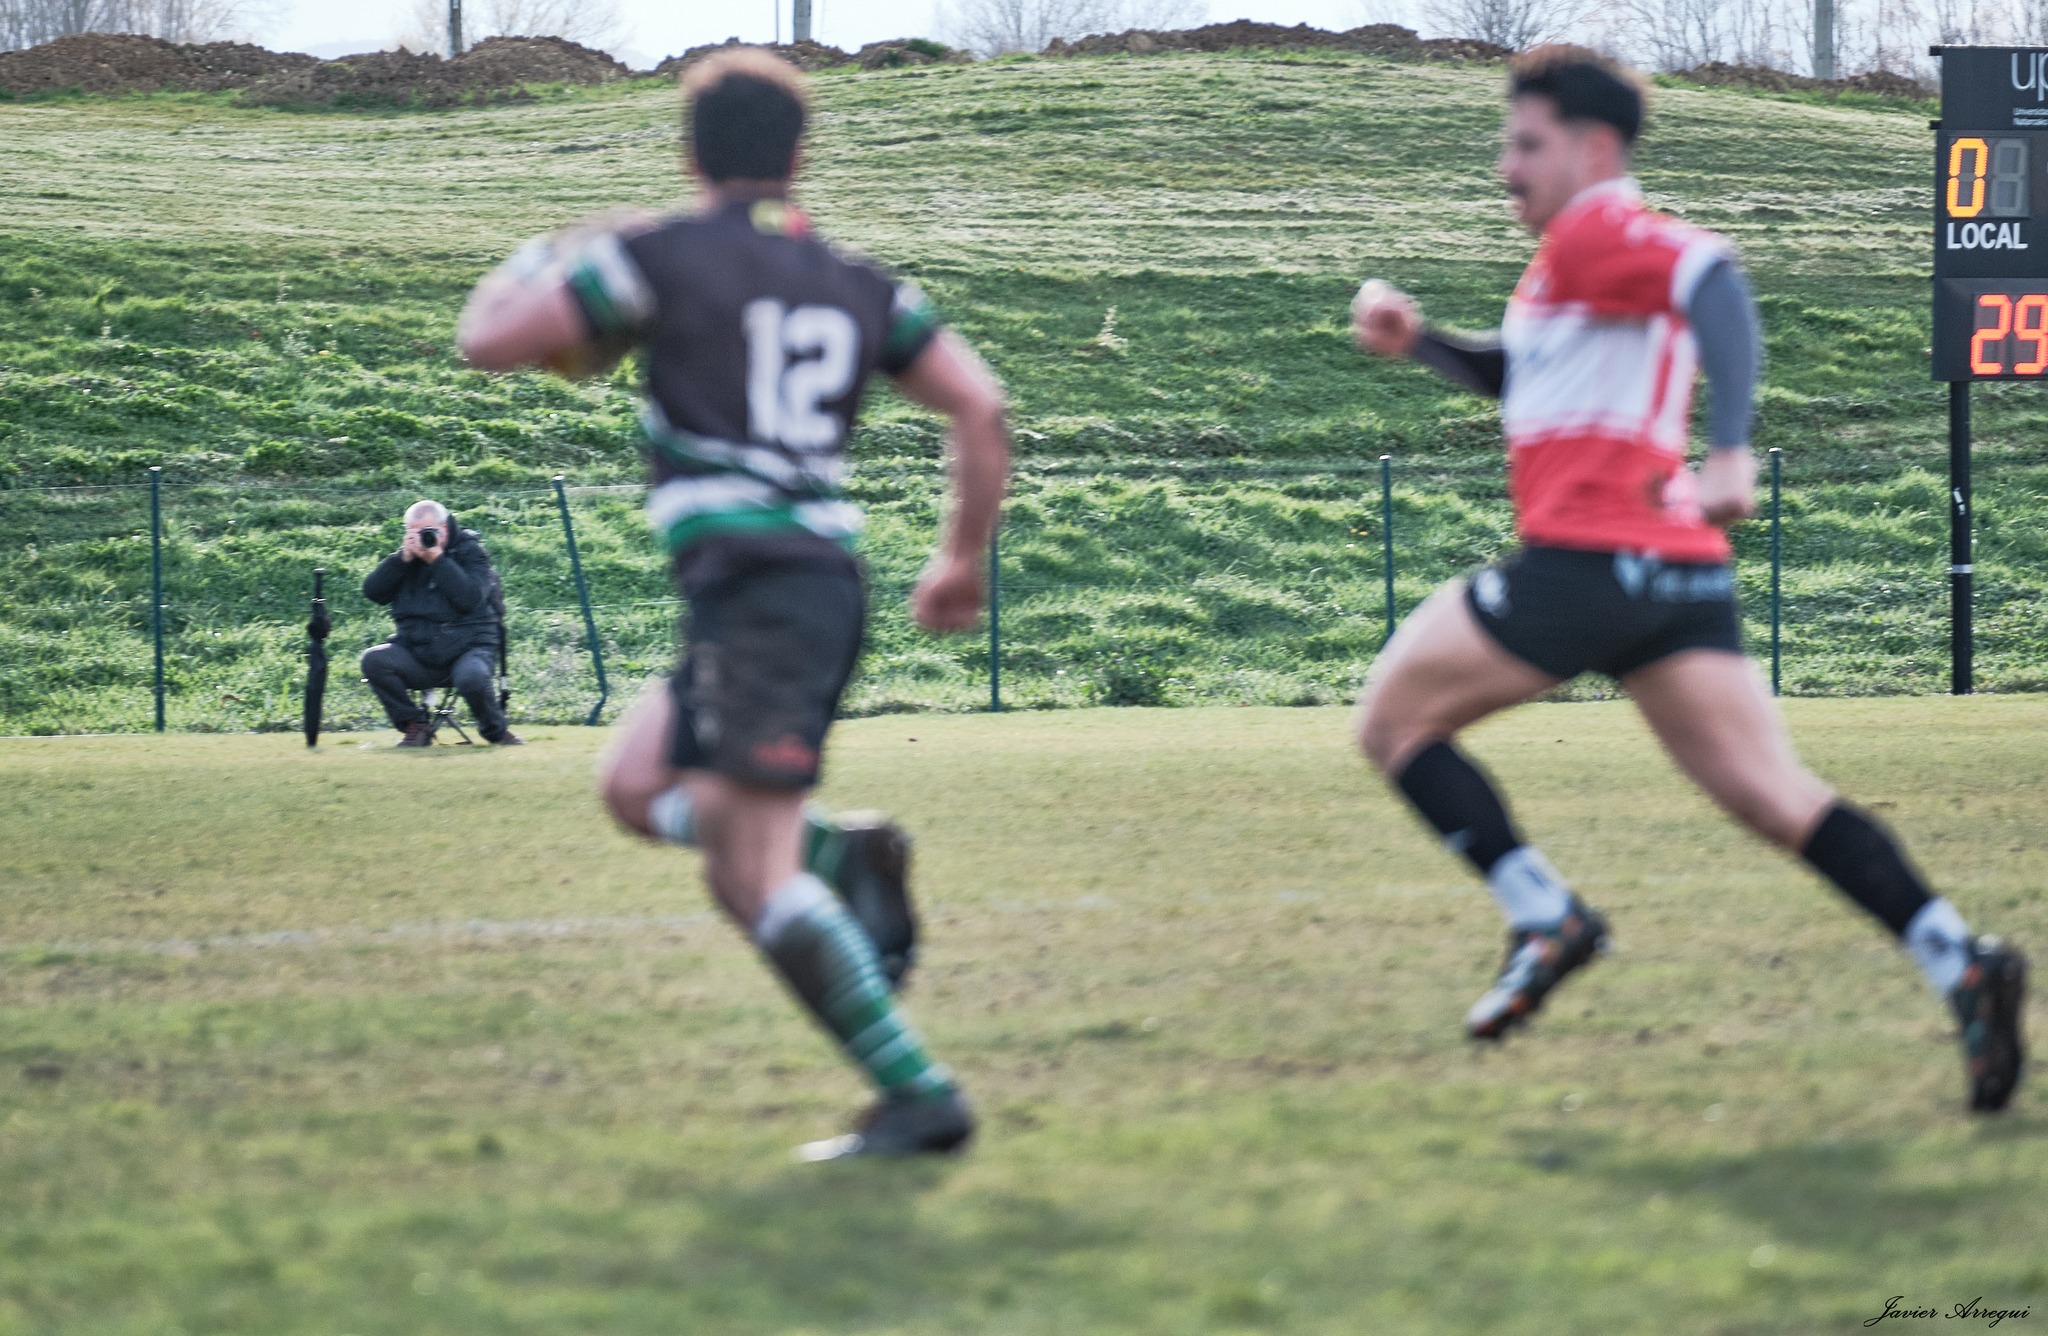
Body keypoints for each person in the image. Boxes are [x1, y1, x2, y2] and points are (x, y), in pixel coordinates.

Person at [1349, 46, 2026, 1112]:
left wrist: (1727, 449)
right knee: (1775, 798)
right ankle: (1960, 961)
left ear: (1594, 147)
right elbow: (1520, 374)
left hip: (1587, 562)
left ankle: (1542, 915)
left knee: (1389, 723)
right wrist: (1421, 342)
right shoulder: (1566, 266)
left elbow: (1712, 279)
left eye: (1524, 144)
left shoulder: (1599, 227)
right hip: (1674, 576)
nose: (1503, 167)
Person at [454, 48, 1009, 1157]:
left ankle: (919, 1094)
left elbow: (487, 341)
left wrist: (550, 254)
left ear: (688, 155)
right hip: (780, 590)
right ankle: (845, 858)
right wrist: (958, 561)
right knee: (630, 785)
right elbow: (978, 406)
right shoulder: (859, 282)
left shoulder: (658, 259)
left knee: (744, 879)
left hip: (768, 594)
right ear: (798, 159)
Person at [360, 499, 520, 748]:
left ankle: (496, 732)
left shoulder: (471, 553)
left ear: (443, 529)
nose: (420, 538)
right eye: (412, 532)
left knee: (473, 677)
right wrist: (401, 559)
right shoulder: (406, 561)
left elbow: (469, 599)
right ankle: (415, 726)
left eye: (427, 532)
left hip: (468, 649)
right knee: (374, 660)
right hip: (418, 652)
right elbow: (372, 592)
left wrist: (437, 558)